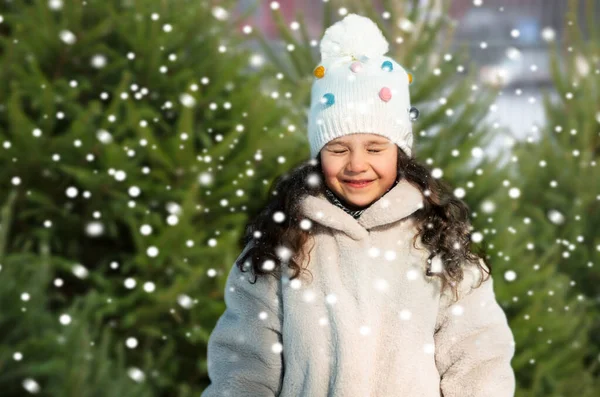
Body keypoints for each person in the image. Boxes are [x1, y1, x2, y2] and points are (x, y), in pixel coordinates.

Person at [201, 13, 516, 397]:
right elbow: (245, 362)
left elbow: (479, 361)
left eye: (375, 147)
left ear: (399, 152)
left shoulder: (437, 242)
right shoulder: (284, 243)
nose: (356, 164)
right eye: (338, 148)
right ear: (319, 154)